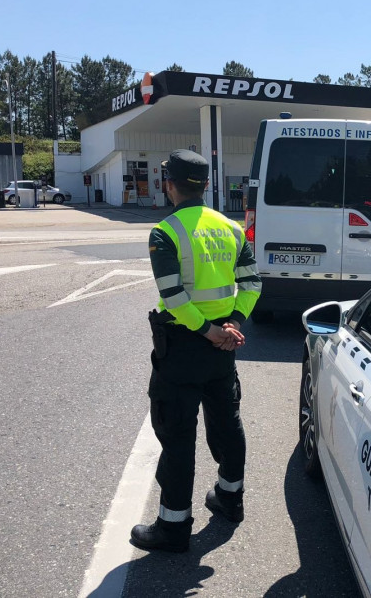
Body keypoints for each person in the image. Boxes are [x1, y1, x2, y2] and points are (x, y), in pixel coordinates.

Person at [130, 149, 262, 553]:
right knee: (227, 421)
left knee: (177, 434)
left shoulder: (165, 232)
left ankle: (173, 527)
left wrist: (207, 332)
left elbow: (173, 296)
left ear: (169, 184)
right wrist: (232, 325)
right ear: (205, 185)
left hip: (185, 348)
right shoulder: (231, 229)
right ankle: (229, 498)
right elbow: (252, 284)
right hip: (224, 345)